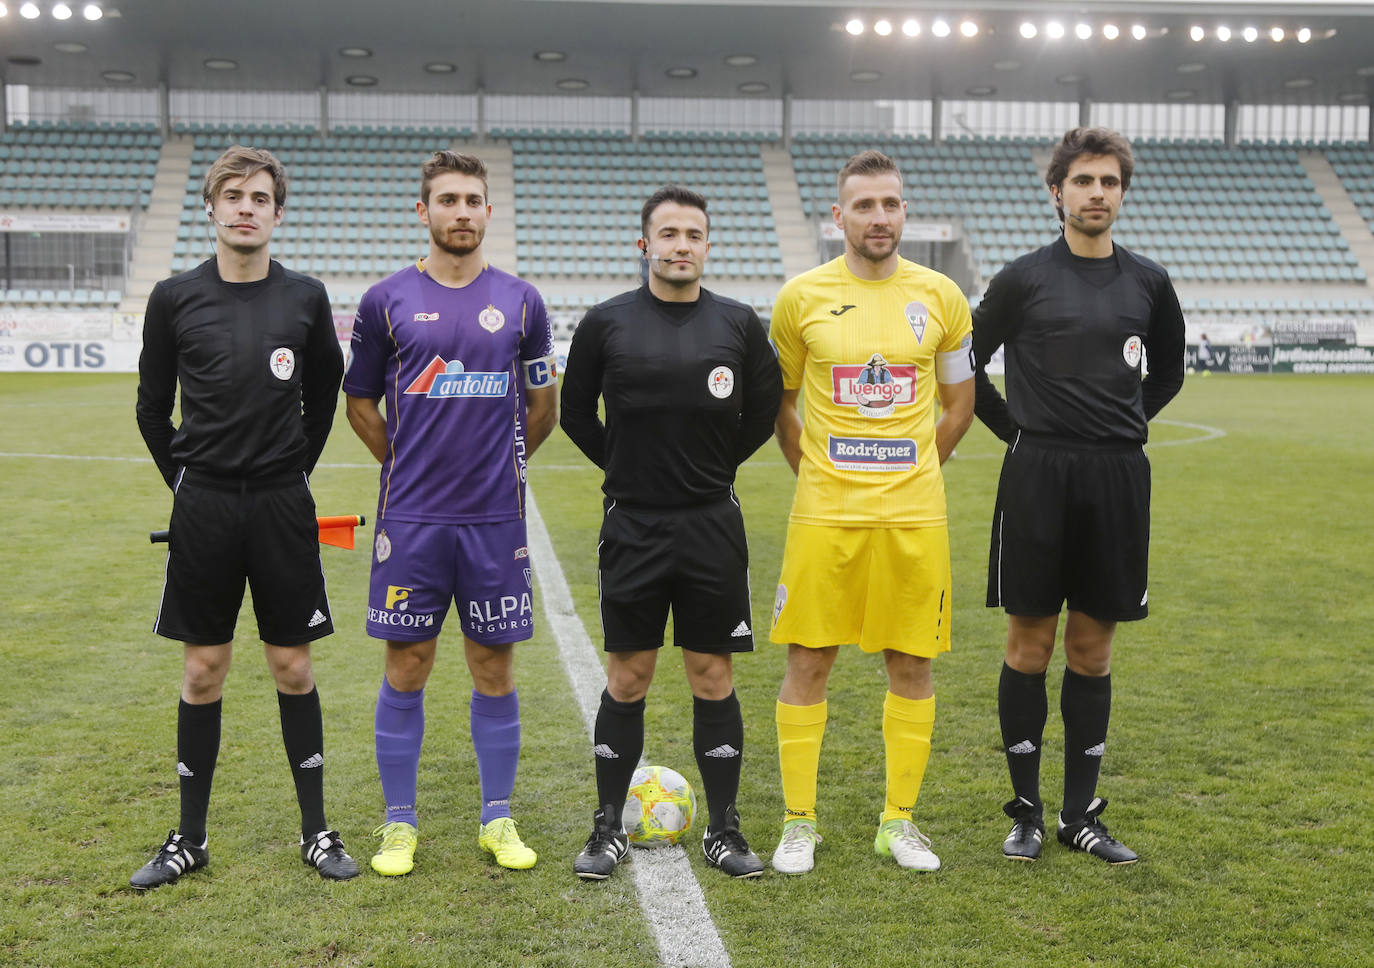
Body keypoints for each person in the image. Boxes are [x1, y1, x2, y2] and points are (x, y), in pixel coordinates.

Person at [131, 145, 355, 889]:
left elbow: (324, 394)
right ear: (210, 207)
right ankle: (189, 838)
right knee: (203, 670)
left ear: (278, 213)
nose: (246, 208)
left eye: (260, 197)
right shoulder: (173, 297)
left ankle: (316, 831)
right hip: (204, 505)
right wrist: (187, 483)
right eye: (233, 195)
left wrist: (293, 473)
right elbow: (151, 408)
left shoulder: (306, 298)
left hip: (281, 503)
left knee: (293, 666)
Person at [971, 127, 1185, 865]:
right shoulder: (1023, 278)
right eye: (1084, 181)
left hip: (1117, 477)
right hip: (1038, 475)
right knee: (1029, 644)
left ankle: (1078, 814)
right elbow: (966, 361)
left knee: (1092, 650)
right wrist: (1017, 431)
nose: (1097, 193)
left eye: (1110, 182)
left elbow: (1167, 373)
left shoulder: (1150, 282)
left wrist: (1120, 426)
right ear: (1056, 191)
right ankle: (1026, 812)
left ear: (1123, 193)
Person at [343, 151, 557, 875]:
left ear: (488, 211)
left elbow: (542, 406)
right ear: (423, 211)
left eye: (472, 200)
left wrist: (503, 464)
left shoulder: (522, 302)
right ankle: (398, 824)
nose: (460, 212)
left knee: (493, 665)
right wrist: (405, 464)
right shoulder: (385, 300)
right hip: (413, 521)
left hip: (495, 521)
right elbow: (359, 404)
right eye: (447, 200)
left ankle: (497, 817)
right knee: (407, 663)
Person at [560, 185, 781, 881]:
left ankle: (724, 827)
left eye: (693, 235)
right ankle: (607, 827)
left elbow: (763, 411)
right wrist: (625, 468)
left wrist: (712, 468)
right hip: (633, 524)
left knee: (712, 673)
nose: (681, 245)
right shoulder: (606, 322)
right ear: (645, 244)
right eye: (669, 234)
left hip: (712, 523)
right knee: (629, 675)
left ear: (707, 246)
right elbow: (575, 413)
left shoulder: (739, 324)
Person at [768, 151, 975, 875]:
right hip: (825, 515)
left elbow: (960, 405)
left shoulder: (942, 296)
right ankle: (799, 823)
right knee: (808, 659)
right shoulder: (800, 298)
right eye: (864, 205)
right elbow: (780, 406)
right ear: (839, 216)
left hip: (914, 517)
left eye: (890, 204)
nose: (878, 217)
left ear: (904, 211)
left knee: (912, 662)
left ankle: (899, 821)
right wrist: (817, 476)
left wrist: (916, 470)